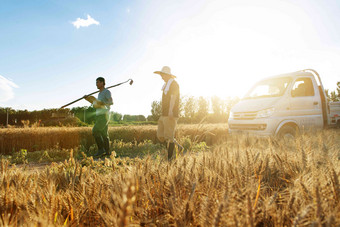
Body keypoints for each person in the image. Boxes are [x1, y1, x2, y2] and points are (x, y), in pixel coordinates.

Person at [154, 66, 184, 160]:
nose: (161, 77)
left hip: (170, 113)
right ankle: (179, 147)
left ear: (167, 75)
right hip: (164, 114)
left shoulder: (174, 84)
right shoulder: (166, 85)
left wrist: (171, 111)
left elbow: (173, 98)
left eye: (162, 75)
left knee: (169, 137)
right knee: (161, 135)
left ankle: (170, 158)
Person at [84, 77, 113, 157]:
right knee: (104, 134)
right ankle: (107, 152)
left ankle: (101, 149)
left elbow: (111, 102)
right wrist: (88, 99)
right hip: (100, 115)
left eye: (98, 82)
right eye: (96, 82)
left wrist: (101, 103)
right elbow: (96, 103)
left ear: (103, 83)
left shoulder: (106, 92)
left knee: (95, 131)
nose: (96, 84)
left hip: (104, 115)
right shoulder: (99, 94)